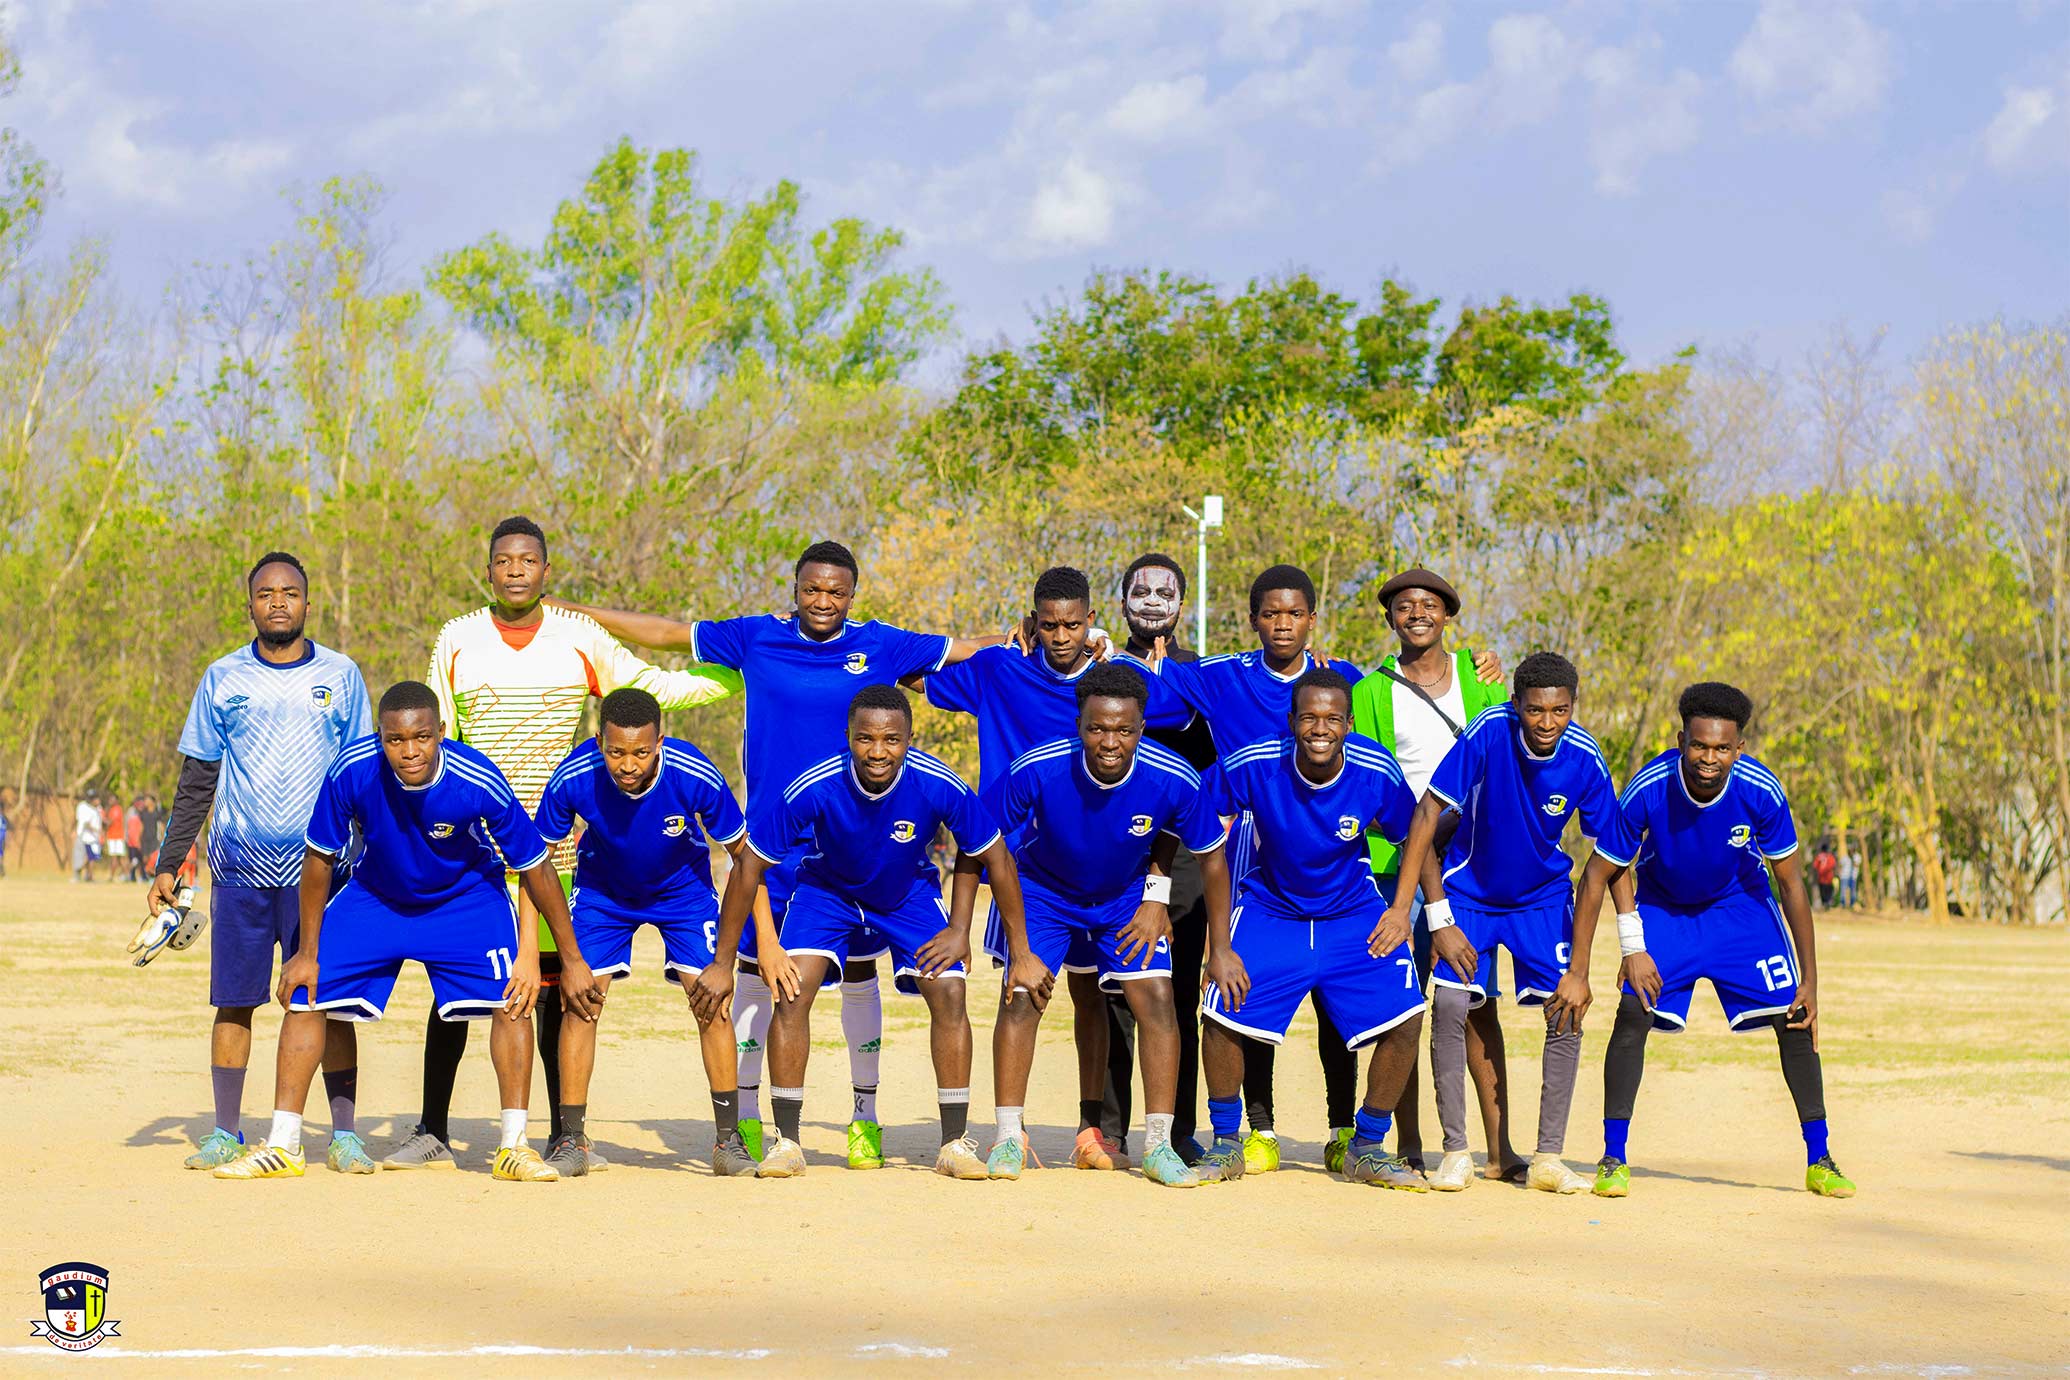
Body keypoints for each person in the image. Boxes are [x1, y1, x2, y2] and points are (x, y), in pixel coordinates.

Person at [554, 540, 1004, 1171]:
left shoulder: (883, 643)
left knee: (856, 974)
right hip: (771, 843)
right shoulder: (754, 638)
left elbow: (964, 646)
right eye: (812, 589)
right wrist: (572, 611)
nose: (823, 600)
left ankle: (864, 1119)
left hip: (852, 842)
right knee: (757, 980)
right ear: (795, 589)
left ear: (852, 594)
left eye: (836, 591)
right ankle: (745, 1122)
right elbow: (664, 633)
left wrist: (1028, 636)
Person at [389, 515, 740, 1173]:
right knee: (459, 987)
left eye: (528, 560)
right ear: (488, 570)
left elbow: (652, 690)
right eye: (503, 560)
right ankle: (433, 1125)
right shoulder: (458, 639)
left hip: (556, 849)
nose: (516, 570)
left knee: (552, 990)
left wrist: (739, 678)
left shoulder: (579, 637)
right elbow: (434, 730)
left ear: (547, 572)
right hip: (475, 841)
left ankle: (561, 1135)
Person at [215, 680, 603, 1182]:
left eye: (421, 737)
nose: (409, 750)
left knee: (513, 998)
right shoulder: (352, 770)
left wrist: (569, 959)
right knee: (305, 992)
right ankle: (285, 1144)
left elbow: (535, 867)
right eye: (395, 740)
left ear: (440, 732)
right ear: (381, 738)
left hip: (464, 901)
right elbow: (318, 859)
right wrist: (306, 950)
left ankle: (514, 1146)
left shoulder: (477, 778)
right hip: (377, 897)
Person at [917, 564, 1189, 1170]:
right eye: (1049, 626)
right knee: (1023, 991)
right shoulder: (1000, 669)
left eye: (1071, 624)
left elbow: (1180, 709)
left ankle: (1106, 1133)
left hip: (1115, 869)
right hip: (1027, 870)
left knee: (1100, 998)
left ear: (1091, 621)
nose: (1061, 636)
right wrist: (980, 644)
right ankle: (1010, 1134)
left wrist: (1156, 890)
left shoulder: (1114, 683)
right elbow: (911, 675)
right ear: (1033, 625)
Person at [690, 684, 1019, 1180]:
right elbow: (748, 868)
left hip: (906, 894)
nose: (878, 751)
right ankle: (788, 1144)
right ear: (848, 737)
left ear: (910, 738)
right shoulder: (814, 785)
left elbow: (993, 853)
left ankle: (954, 1143)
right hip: (828, 894)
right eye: (865, 738)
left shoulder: (937, 782)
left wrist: (961, 928)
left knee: (950, 991)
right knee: (791, 991)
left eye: (891, 739)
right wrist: (721, 962)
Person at [1555, 681, 1855, 1200]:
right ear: (1680, 740)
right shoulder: (1649, 787)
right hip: (1666, 909)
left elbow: (1792, 885)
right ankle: (1613, 1156)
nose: (1709, 758)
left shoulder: (1762, 790)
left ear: (1739, 748)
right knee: (1633, 1016)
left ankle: (1820, 1157)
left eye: (1722, 748)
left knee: (1795, 1021)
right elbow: (1598, 876)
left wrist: (1811, 980)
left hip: (1739, 909)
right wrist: (1586, 968)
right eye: (1698, 745)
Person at [143, 552, 375, 1171]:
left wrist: (371, 854)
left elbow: (362, 775)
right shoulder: (222, 677)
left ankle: (344, 1134)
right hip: (241, 867)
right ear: (249, 606)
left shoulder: (342, 675)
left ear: (307, 602)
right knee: (236, 1001)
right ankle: (225, 1131)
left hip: (321, 872)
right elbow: (198, 778)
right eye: (266, 594)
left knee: (326, 998)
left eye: (290, 592)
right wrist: (170, 862)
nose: (278, 602)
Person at [980, 662, 1232, 1186]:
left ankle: (1159, 1147)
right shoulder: (1037, 768)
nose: (1109, 740)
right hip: (1045, 894)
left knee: (1158, 1001)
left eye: (1123, 729)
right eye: (1097, 727)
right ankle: (1007, 1137)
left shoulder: (1174, 776)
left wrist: (1214, 942)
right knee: (1023, 997)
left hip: (1122, 899)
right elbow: (981, 841)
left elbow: (1211, 857)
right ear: (1079, 724)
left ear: (1141, 729)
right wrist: (1007, 941)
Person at [1152, 564, 1363, 1175]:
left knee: (1331, 998)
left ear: (1312, 620)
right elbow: (1140, 694)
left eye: (1294, 613)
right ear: (1253, 619)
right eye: (1271, 613)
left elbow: (1399, 696)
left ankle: (1342, 1127)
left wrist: (1480, 668)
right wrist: (1104, 650)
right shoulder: (1222, 676)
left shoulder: (1341, 679)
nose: (1282, 624)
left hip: (1325, 853)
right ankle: (1260, 1128)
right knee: (1251, 990)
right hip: (1247, 848)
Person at [1385, 652, 1619, 1195]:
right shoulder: (1489, 732)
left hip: (1541, 902)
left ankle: (1549, 1157)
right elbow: (1426, 814)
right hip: (1468, 895)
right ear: (1516, 705)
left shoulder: (1585, 757)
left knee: (1566, 1008)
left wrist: (1604, 956)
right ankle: (1456, 1153)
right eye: (1534, 710)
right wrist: (1430, 916)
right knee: (1447, 1005)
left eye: (1559, 710)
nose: (1546, 722)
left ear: (1572, 708)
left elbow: (1611, 858)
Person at [1197, 669, 1425, 1186]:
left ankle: (1366, 1145)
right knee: (1220, 1010)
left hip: (1352, 914)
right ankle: (1227, 1142)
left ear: (1347, 723)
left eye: (1331, 719)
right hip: (1271, 910)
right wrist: (1215, 939)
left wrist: (1403, 909)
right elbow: (1196, 816)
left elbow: (1417, 832)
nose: (1319, 728)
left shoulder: (1375, 768)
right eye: (1308, 717)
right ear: (1291, 721)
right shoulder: (1256, 762)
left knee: (1408, 1017)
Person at [532, 688, 758, 1178]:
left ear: (661, 741)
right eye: (615, 752)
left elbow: (747, 860)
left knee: (712, 1003)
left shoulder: (694, 773)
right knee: (581, 1001)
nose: (628, 764)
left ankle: (727, 1141)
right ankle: (572, 1141)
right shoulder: (574, 775)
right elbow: (536, 864)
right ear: (599, 742)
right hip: (603, 895)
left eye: (640, 751)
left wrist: (725, 960)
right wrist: (553, 957)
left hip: (683, 894)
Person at [1350, 567, 1514, 1182]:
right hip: (1397, 866)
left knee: (1474, 1003)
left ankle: (1499, 1151)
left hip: (1469, 864)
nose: (1416, 613)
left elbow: (1501, 761)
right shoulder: (1369, 691)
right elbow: (1370, 780)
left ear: (1448, 615)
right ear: (1390, 618)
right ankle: (1411, 1144)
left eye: (1429, 605)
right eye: (1403, 606)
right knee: (1403, 1009)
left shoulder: (1481, 678)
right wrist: (1416, 857)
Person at [1109, 553, 1219, 1162]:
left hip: (1180, 856)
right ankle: (1105, 1128)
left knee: (1176, 995)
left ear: (1183, 604)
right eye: (1141, 590)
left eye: (1166, 591)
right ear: (1123, 600)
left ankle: (1174, 1132)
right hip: (1112, 845)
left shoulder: (1200, 672)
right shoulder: (1098, 665)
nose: (1154, 600)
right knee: (1112, 991)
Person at [71, 793, 102, 883]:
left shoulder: (97, 809)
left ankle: (88, 876)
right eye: (96, 799)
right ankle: (78, 876)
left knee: (92, 858)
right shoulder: (83, 807)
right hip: (83, 836)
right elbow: (84, 822)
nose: (98, 801)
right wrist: (73, 830)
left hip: (93, 838)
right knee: (81, 857)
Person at [103, 794, 128, 879]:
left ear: (116, 800)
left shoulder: (116, 809)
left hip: (116, 837)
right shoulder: (112, 809)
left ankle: (113, 876)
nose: (110, 801)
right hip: (113, 836)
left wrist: (102, 819)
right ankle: (124, 875)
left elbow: (110, 822)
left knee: (117, 857)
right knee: (118, 857)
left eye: (112, 799)